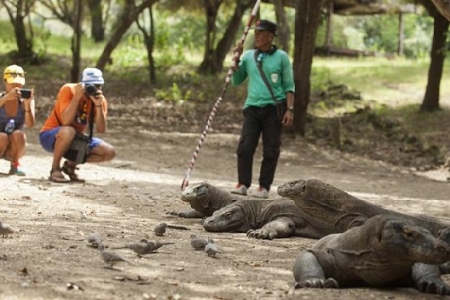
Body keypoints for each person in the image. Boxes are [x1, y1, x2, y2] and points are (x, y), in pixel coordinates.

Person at [230, 19, 295, 199]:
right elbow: (236, 81)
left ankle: (263, 187)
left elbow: (289, 85)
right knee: (245, 146)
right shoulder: (249, 56)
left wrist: (290, 109)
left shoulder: (281, 57)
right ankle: (243, 183)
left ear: (270, 36)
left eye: (260, 33)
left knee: (271, 148)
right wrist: (235, 62)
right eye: (255, 33)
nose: (256, 36)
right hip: (252, 107)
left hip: (274, 108)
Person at [39, 67, 115, 183]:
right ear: (81, 84)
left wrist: (98, 106)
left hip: (74, 138)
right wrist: (76, 98)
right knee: (69, 131)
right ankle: (55, 169)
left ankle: (70, 166)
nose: (93, 89)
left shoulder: (100, 99)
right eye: (90, 86)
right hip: (51, 136)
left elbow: (101, 129)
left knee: (108, 152)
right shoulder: (69, 90)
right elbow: (66, 122)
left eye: (98, 85)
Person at [0, 64, 35, 176]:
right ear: (5, 81)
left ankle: (15, 165)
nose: (16, 86)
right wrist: (5, 99)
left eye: (19, 83)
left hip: (15, 146)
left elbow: (30, 124)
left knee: (19, 134)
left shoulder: (26, 101)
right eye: (12, 82)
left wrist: (27, 106)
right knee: (2, 137)